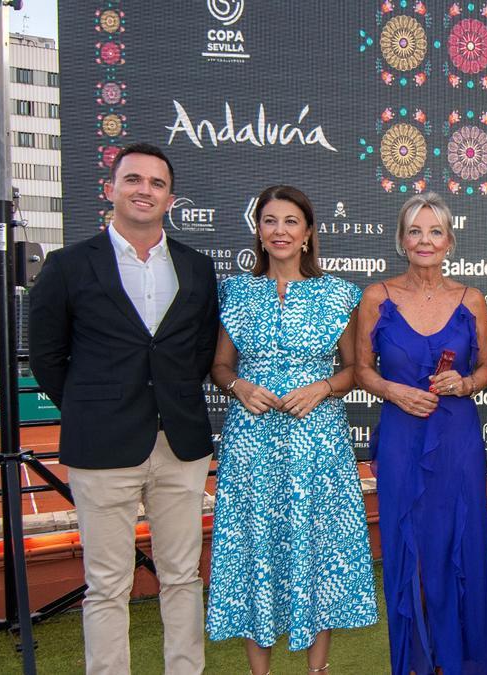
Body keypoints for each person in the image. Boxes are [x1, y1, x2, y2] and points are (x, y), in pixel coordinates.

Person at [28, 142, 218, 674]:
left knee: (183, 575)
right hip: (102, 446)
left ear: (171, 198)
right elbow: (46, 355)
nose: (144, 190)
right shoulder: (68, 266)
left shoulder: (197, 269)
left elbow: (199, 351)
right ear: (109, 189)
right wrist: (94, 409)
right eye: (133, 179)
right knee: (107, 584)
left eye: (157, 184)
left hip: (179, 445)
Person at [206, 185, 378, 675]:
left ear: (307, 234)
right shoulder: (236, 290)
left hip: (317, 441)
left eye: (290, 222)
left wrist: (321, 387)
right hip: (252, 440)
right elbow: (220, 365)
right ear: (258, 231)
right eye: (269, 221)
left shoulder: (339, 293)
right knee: (252, 545)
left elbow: (353, 370)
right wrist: (238, 385)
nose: (279, 231)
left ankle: (315, 670)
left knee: (316, 546)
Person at [354, 192, 487, 675]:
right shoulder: (377, 296)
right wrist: (396, 393)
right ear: (402, 239)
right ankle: (417, 660)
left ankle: (463, 661)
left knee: (460, 546)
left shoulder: (472, 299)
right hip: (401, 437)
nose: (425, 240)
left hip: (456, 438)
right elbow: (360, 371)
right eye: (415, 230)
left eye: (435, 231)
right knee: (407, 547)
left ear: (450, 241)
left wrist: (464, 384)